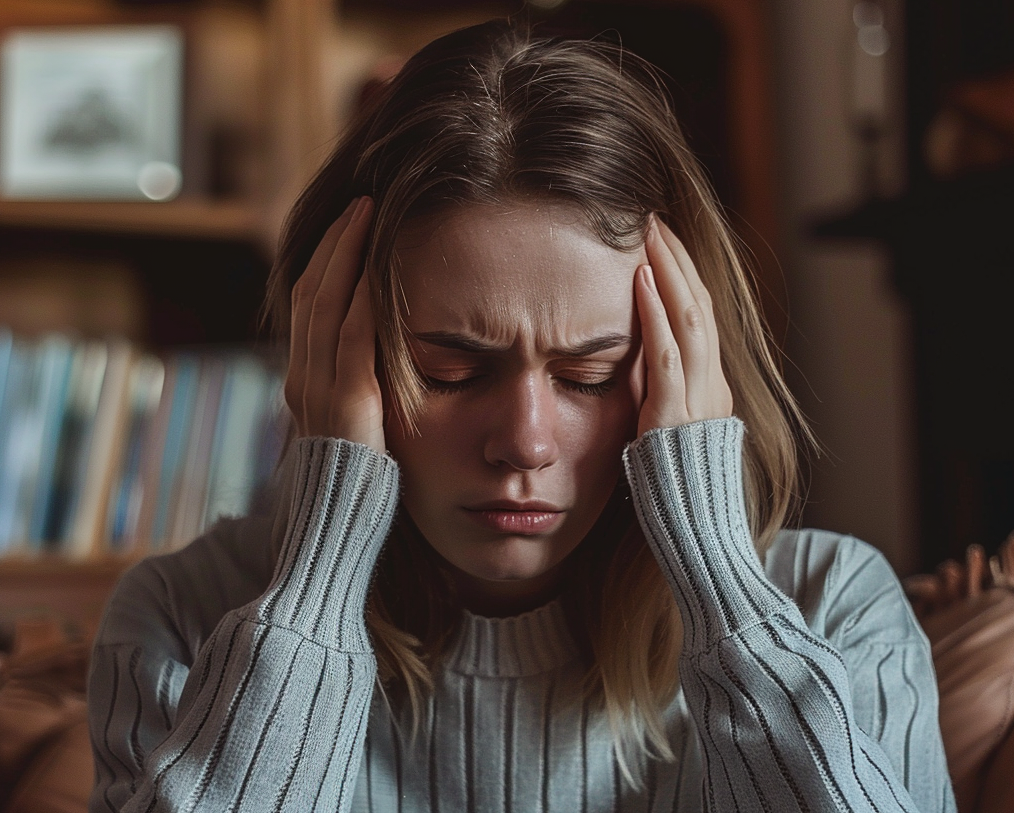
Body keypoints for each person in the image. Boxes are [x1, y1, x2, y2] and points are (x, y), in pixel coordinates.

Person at [87, 20, 955, 812]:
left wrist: (719, 580)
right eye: (449, 370)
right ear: (328, 355)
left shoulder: (832, 612)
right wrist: (318, 578)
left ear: (678, 370)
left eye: (589, 374)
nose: (525, 444)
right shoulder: (180, 616)